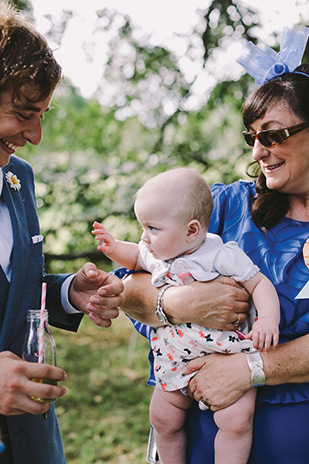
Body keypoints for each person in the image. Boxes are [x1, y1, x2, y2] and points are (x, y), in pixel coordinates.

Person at [91, 26, 309, 463]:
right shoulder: (223, 205)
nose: (259, 151)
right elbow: (131, 285)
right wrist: (182, 302)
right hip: (191, 435)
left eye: (272, 135)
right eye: (252, 137)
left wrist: (249, 370)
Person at [0, 3, 123, 463]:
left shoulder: (19, 179)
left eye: (43, 115)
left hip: (32, 445)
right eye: (23, 112)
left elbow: (15, 296)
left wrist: (72, 293)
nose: (34, 135)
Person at [92, 168, 280, 464]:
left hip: (226, 354)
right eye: (143, 227)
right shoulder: (158, 253)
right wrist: (113, 247)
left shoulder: (221, 254)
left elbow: (258, 282)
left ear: (192, 230)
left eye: (152, 228)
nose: (145, 237)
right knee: (163, 418)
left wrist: (268, 319)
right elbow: (135, 256)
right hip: (175, 359)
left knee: (235, 422)